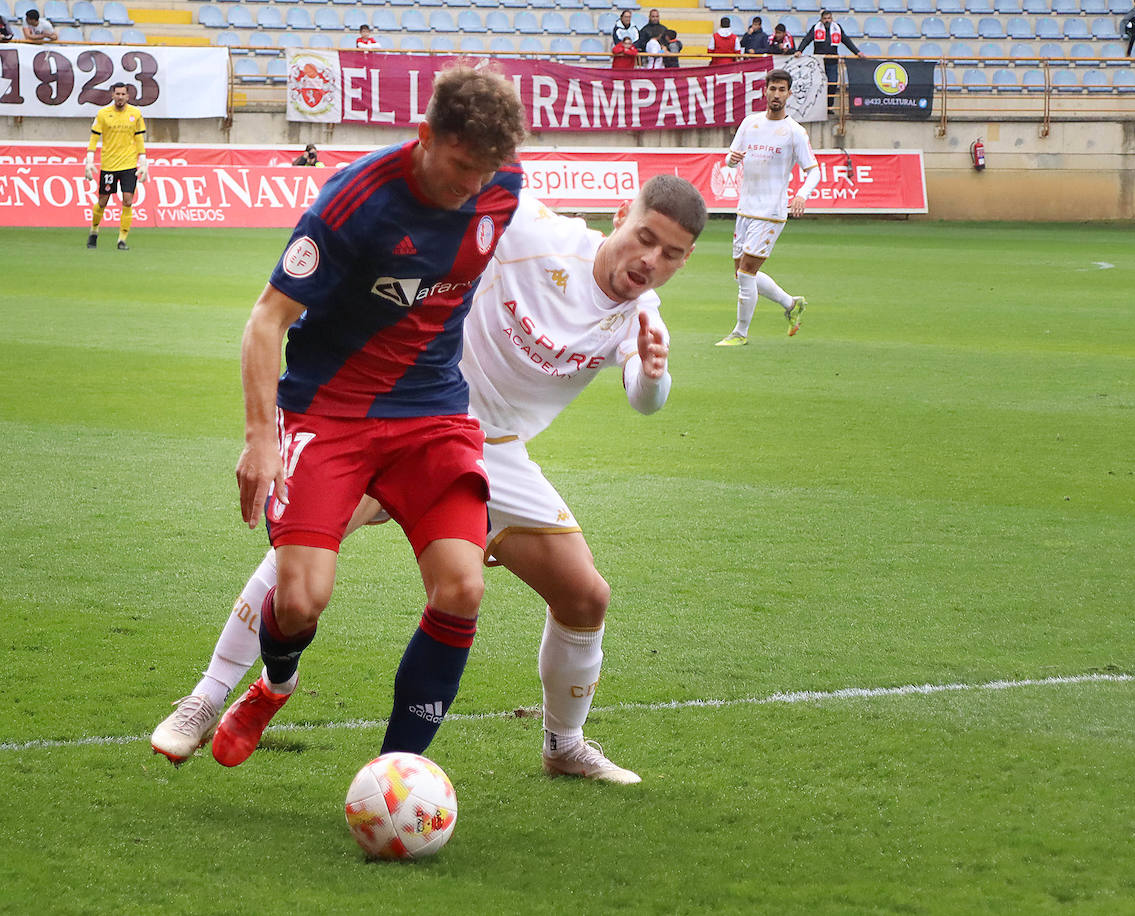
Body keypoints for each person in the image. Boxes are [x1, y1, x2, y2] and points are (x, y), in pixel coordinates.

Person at [152, 176, 706, 784]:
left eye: (671, 253)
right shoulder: (537, 233)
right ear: (620, 217)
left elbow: (645, 398)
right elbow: (473, 194)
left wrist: (652, 372)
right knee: (311, 548)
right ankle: (209, 695)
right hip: (411, 408)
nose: (650, 260)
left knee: (585, 597)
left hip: (493, 451)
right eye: (644, 238)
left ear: (686, 259)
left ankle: (563, 744)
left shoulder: (641, 317)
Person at [202, 65, 527, 770]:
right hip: (332, 410)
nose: (475, 186)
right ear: (425, 137)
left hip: (433, 412)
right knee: (300, 601)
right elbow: (266, 320)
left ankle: (396, 774)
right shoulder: (354, 202)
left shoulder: (502, 185)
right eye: (463, 166)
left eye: (488, 170)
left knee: (464, 588)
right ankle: (273, 685)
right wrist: (261, 440)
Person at [715, 69, 819, 347]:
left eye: (782, 90)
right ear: (765, 91)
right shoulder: (750, 123)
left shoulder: (794, 132)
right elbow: (730, 159)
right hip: (746, 208)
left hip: (771, 212)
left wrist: (801, 195)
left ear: (789, 93)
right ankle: (790, 303)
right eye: (772, 89)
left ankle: (740, 333)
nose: (776, 94)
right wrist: (732, 159)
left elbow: (814, 171)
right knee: (740, 274)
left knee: (747, 273)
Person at [84, 82, 147, 250]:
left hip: (128, 164)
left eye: (123, 94)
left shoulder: (136, 114)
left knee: (127, 201)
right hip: (109, 164)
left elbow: (139, 138)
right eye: (117, 94)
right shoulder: (103, 114)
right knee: (103, 201)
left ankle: (122, 240)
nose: (120, 97)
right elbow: (94, 137)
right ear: (112, 95)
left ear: (128, 96)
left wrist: (143, 161)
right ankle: (94, 231)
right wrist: (89, 158)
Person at [795, 10, 865, 111]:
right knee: (817, 85)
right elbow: (806, 40)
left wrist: (857, 52)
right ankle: (816, 107)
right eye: (825, 19)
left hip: (832, 62)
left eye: (829, 18)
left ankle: (829, 107)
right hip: (819, 62)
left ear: (832, 19)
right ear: (821, 19)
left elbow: (846, 40)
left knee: (832, 84)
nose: (827, 21)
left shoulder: (837, 28)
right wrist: (799, 50)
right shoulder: (815, 28)